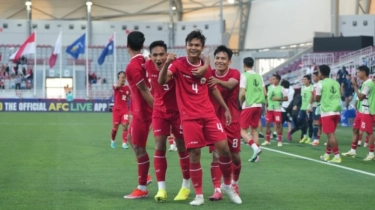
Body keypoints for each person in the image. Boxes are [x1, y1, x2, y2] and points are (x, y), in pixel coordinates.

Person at [159, 30, 241, 206]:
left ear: (202, 47)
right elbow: (162, 81)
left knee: (224, 150)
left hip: (209, 115)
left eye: (197, 45)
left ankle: (227, 185)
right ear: (186, 46)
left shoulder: (206, 67)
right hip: (189, 118)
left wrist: (226, 108)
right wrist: (166, 63)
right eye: (191, 45)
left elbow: (212, 88)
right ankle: (198, 195)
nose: (193, 48)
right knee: (194, 155)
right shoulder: (178, 64)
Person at [144, 40, 191, 202]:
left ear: (167, 54)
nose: (158, 58)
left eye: (161, 54)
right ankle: (161, 189)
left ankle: (186, 186)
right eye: (155, 55)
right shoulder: (147, 65)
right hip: (159, 112)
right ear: (150, 56)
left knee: (182, 147)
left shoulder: (176, 65)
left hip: (178, 112)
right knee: (159, 146)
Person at [208, 46, 243, 201]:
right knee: (216, 155)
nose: (219, 61)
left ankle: (234, 183)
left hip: (232, 120)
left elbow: (230, 85)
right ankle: (217, 189)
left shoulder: (234, 73)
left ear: (229, 61)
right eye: (217, 58)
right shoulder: (208, 73)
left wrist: (216, 80)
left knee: (234, 156)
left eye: (223, 58)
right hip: (214, 120)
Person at [124, 31, 154, 199]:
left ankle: (142, 187)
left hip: (143, 111)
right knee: (130, 139)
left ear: (127, 45)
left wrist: (158, 112)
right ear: (142, 45)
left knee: (139, 148)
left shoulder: (133, 67)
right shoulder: (145, 60)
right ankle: (146, 176)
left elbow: (145, 91)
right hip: (139, 110)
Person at [343, 65, 375, 161]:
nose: (357, 74)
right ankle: (353, 150)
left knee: (369, 132)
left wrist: (355, 86)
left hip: (367, 111)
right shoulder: (366, 83)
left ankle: (371, 153)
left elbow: (361, 97)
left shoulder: (368, 84)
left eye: (358, 72)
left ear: (363, 72)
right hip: (361, 111)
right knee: (355, 129)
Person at [239, 57, 264, 162]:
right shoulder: (259, 76)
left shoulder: (244, 75)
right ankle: (257, 156)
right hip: (258, 105)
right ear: (253, 65)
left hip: (249, 105)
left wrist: (240, 103)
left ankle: (255, 148)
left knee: (242, 130)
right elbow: (265, 92)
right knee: (253, 129)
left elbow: (243, 93)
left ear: (244, 65)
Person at [315, 65, 342, 163]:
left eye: (318, 72)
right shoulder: (336, 83)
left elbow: (317, 99)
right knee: (330, 134)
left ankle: (337, 156)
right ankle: (327, 154)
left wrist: (315, 95)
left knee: (330, 135)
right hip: (336, 111)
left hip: (327, 111)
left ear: (321, 73)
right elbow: (339, 94)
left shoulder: (320, 83)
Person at [262, 74, 288, 146]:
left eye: (274, 79)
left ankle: (279, 141)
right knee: (267, 124)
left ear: (278, 80)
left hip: (277, 109)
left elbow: (286, 98)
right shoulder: (269, 87)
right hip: (270, 109)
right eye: (272, 79)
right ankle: (267, 140)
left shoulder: (281, 88)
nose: (272, 80)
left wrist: (278, 99)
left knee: (278, 124)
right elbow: (267, 98)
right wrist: (266, 106)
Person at [290, 75, 313, 143]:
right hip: (303, 107)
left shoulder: (312, 87)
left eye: (305, 79)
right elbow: (301, 98)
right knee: (299, 121)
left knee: (309, 123)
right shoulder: (302, 87)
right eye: (303, 79)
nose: (304, 80)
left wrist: (310, 106)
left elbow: (313, 97)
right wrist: (296, 105)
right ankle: (305, 136)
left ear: (309, 80)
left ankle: (309, 138)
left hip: (309, 108)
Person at [110, 71, 131, 149]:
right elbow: (118, 86)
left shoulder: (128, 88)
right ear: (118, 78)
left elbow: (130, 97)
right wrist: (120, 77)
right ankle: (113, 140)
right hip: (117, 110)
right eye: (122, 77)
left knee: (125, 125)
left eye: (124, 77)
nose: (123, 79)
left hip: (125, 110)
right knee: (115, 127)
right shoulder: (115, 85)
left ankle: (124, 143)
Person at [308, 71, 322, 146]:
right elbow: (312, 97)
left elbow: (313, 97)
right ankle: (317, 139)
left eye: (314, 76)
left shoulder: (318, 85)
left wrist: (310, 106)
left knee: (316, 122)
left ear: (318, 76)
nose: (313, 78)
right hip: (318, 106)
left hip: (318, 105)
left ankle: (316, 139)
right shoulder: (316, 85)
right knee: (318, 123)